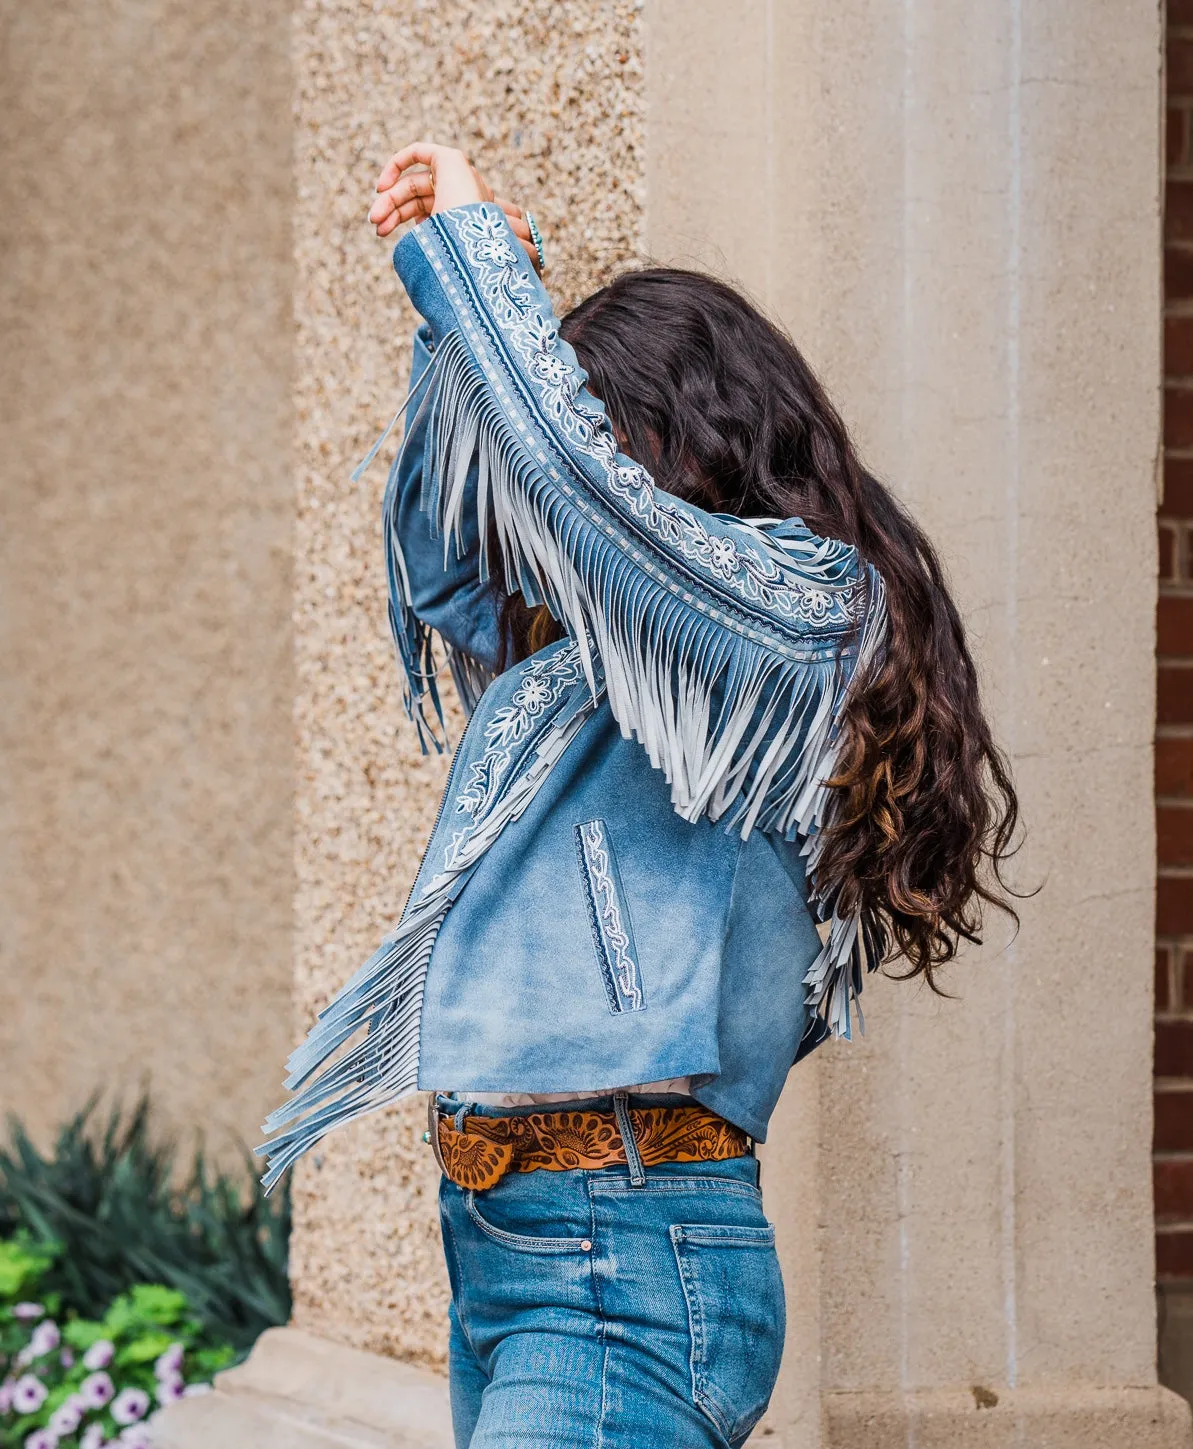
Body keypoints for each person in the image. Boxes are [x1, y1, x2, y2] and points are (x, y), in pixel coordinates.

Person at [262, 143, 1020, 1448]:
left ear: (698, 432)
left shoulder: (806, 612)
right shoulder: (591, 667)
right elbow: (453, 555)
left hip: (622, 1255)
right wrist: (468, 316)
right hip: (512, 1251)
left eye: (609, 428)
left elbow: (584, 502)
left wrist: (478, 251)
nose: (571, 472)